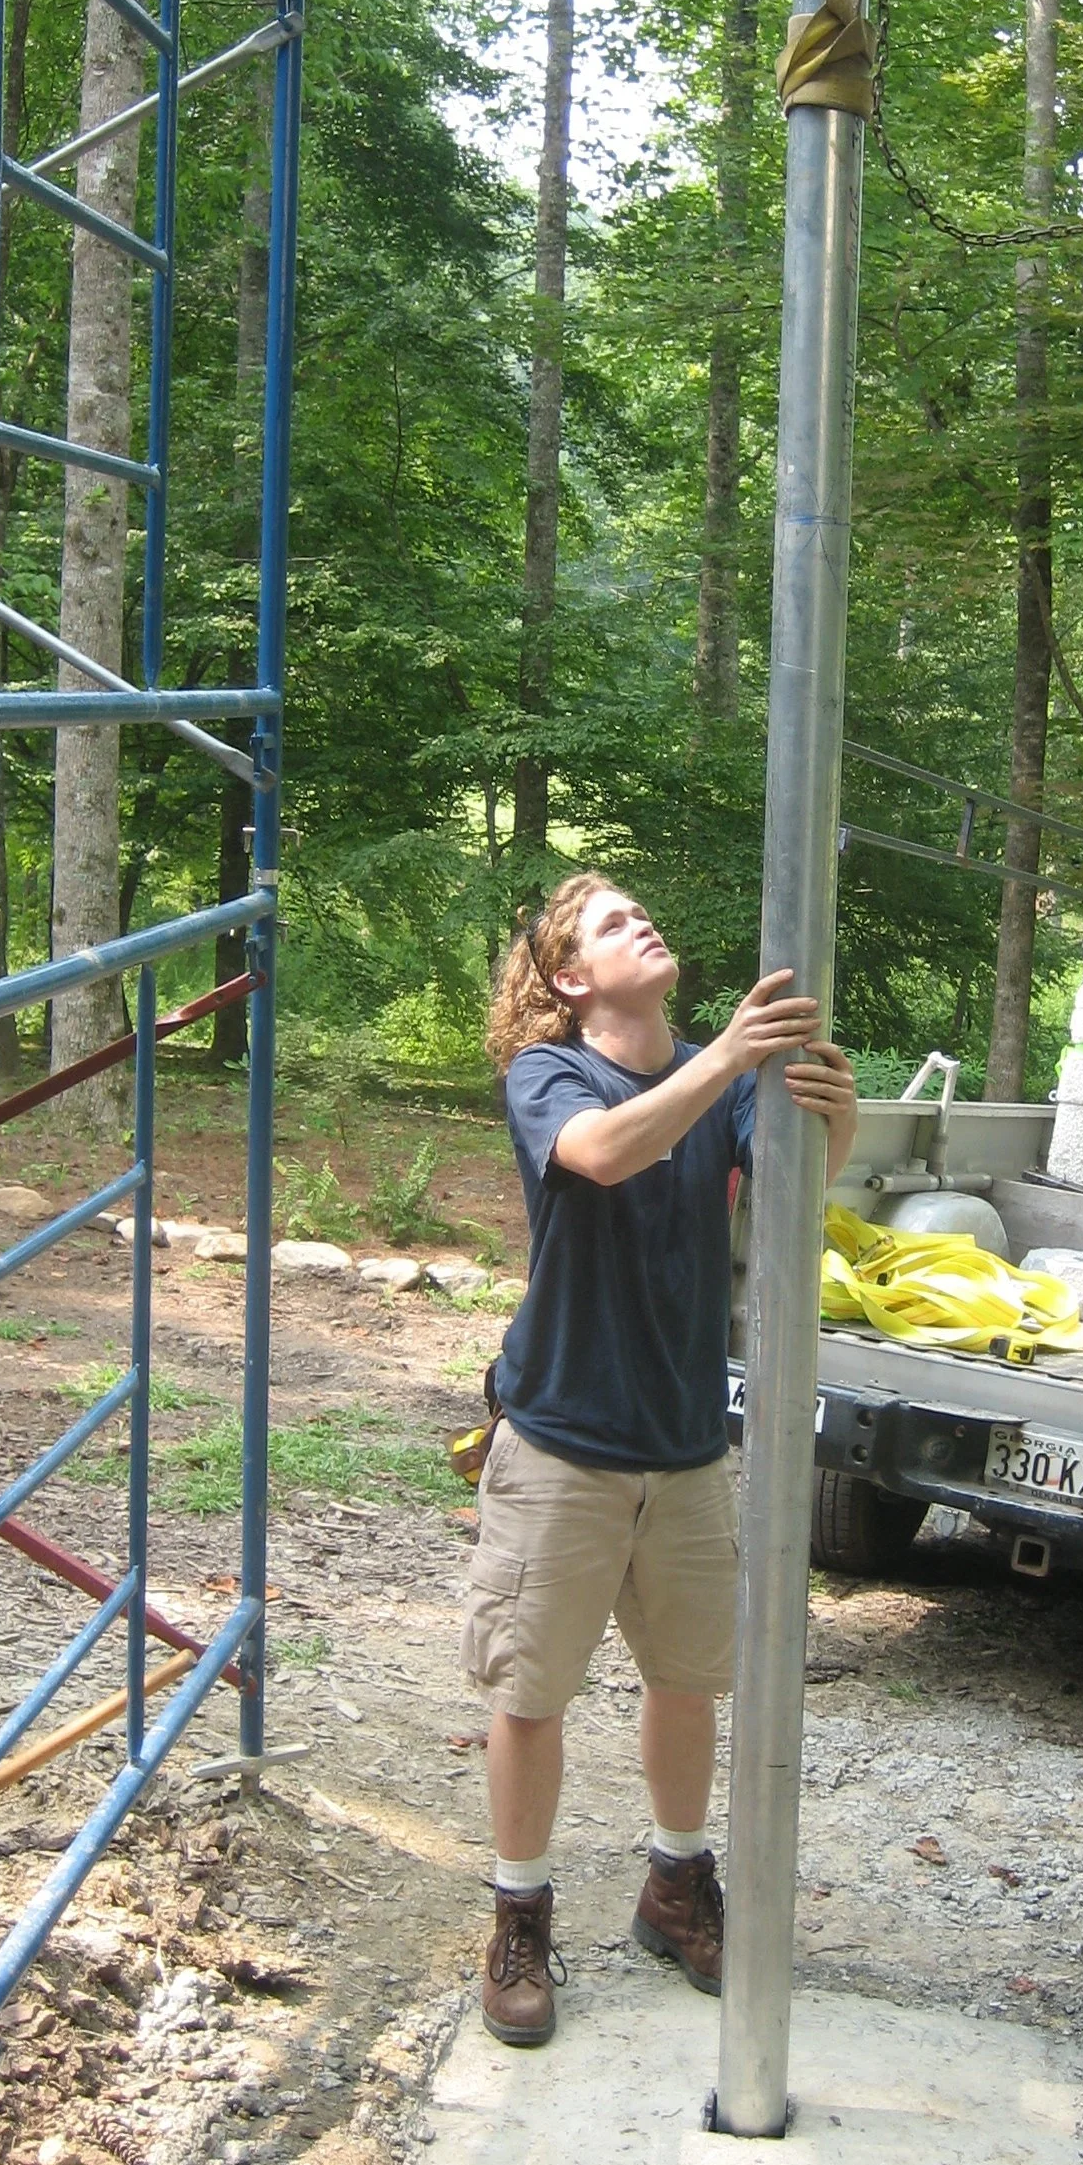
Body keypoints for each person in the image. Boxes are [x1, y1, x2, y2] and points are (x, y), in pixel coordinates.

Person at [468, 870, 859, 2046]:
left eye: (648, 906)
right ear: (573, 979)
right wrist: (730, 1059)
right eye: (609, 921)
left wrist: (832, 1113)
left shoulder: (715, 1076)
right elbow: (600, 1154)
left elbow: (794, 1190)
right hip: (563, 1440)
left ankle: (674, 1887)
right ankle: (520, 1912)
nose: (644, 919)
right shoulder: (554, 1075)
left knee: (688, 1678)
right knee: (532, 1690)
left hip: (688, 1442)